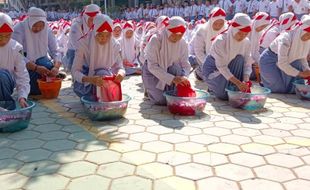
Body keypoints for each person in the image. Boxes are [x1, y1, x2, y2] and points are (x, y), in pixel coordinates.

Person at [72, 14, 125, 98]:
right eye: (100, 35)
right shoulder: (83, 43)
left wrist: (121, 74)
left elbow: (120, 67)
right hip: (87, 78)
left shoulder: (114, 44)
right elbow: (74, 71)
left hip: (105, 77)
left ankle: (102, 97)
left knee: (103, 74)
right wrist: (90, 79)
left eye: (107, 35)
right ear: (95, 31)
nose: (104, 39)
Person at [202, 13, 253, 100]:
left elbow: (247, 63)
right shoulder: (221, 41)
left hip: (230, 69)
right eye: (240, 33)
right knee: (223, 96)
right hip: (214, 70)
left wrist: (245, 80)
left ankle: (231, 86)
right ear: (234, 29)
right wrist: (238, 83)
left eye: (246, 34)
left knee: (239, 59)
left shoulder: (246, 42)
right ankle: (213, 87)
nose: (243, 37)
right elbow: (221, 67)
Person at [12, 7, 62, 95]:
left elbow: (55, 50)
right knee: (33, 87)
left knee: (48, 67)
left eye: (41, 26)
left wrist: (56, 67)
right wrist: (35, 67)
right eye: (35, 26)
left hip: (42, 61)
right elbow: (17, 54)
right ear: (30, 22)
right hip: (25, 63)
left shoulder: (47, 29)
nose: (38, 29)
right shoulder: (19, 29)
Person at [142, 16, 191, 105]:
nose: (176, 38)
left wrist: (184, 76)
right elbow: (152, 66)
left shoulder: (182, 42)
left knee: (176, 97)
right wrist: (172, 79)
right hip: (153, 72)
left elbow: (185, 64)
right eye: (174, 34)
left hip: (171, 69)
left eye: (180, 35)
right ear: (168, 30)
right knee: (162, 101)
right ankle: (149, 91)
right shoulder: (156, 40)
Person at [259, 15, 310, 93]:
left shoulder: (307, 40)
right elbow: (282, 63)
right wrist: (300, 73)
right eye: (307, 34)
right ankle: (266, 82)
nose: (308, 37)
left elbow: (302, 58)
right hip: (270, 60)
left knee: (292, 88)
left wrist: (307, 71)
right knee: (279, 89)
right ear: (302, 30)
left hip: (286, 62)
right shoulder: (286, 38)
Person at [0, 13, 30, 110]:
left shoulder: (17, 48)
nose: (4, 40)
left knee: (2, 76)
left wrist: (22, 96)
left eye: (7, 36)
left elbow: (22, 73)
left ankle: (6, 107)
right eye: (0, 36)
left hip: (6, 82)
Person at [190, 7, 227, 80]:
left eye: (221, 24)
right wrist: (209, 65)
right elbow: (199, 51)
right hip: (204, 60)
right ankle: (198, 71)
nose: (218, 26)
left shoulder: (226, 30)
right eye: (215, 23)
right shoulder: (202, 30)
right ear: (211, 21)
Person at [66, 4, 100, 73]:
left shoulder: (98, 23)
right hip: (74, 50)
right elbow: (77, 46)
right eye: (91, 20)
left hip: (89, 49)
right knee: (78, 72)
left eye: (96, 20)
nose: (93, 22)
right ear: (86, 17)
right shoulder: (76, 25)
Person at [249, 12, 270, 81]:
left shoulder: (260, 32)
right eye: (262, 26)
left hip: (252, 61)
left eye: (264, 27)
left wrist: (258, 62)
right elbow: (242, 51)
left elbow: (256, 50)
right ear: (258, 23)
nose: (262, 28)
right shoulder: (247, 30)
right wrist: (252, 61)